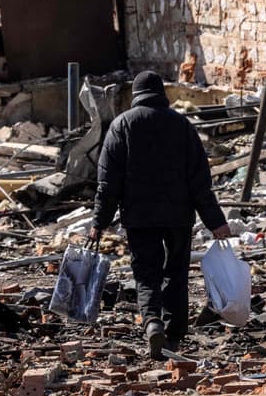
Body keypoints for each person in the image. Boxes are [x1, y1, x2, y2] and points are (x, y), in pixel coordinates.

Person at [91, 70, 232, 360]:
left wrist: (99, 223)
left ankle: (153, 322)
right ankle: (175, 334)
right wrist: (216, 222)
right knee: (176, 272)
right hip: (179, 216)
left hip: (139, 217)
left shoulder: (122, 125)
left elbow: (108, 183)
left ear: (136, 95)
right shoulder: (182, 125)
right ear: (161, 94)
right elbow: (199, 181)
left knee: (146, 273)